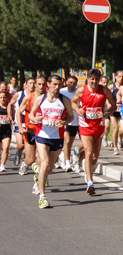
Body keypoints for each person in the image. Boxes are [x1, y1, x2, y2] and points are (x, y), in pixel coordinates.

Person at [29, 75, 73, 208]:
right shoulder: (40, 99)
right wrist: (35, 119)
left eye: (59, 85)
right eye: (54, 84)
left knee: (49, 168)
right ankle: (42, 197)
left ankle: (40, 174)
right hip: (42, 134)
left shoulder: (65, 100)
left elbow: (71, 117)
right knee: (45, 163)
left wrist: (64, 122)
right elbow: (31, 114)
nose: (57, 87)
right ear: (49, 84)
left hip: (57, 136)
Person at [71, 68, 117, 195]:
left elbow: (113, 106)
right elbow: (73, 102)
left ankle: (82, 163)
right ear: (88, 79)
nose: (94, 82)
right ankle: (90, 182)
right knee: (89, 152)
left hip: (99, 125)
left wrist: (105, 113)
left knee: (95, 156)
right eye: (92, 79)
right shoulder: (82, 90)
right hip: (85, 125)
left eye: (97, 79)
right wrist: (78, 110)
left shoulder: (104, 90)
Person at [17, 75, 48, 179]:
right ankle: (25, 164)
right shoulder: (29, 97)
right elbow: (19, 112)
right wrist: (20, 127)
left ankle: (39, 181)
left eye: (43, 84)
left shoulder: (49, 98)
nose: (41, 86)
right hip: (30, 130)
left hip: (43, 131)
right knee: (30, 160)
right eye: (39, 84)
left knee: (41, 160)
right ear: (35, 85)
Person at [7, 77, 34, 167]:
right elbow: (10, 104)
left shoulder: (37, 96)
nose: (32, 85)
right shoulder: (19, 94)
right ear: (25, 85)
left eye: (34, 83)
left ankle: (24, 163)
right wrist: (9, 115)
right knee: (21, 145)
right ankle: (18, 153)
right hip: (20, 122)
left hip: (30, 122)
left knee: (28, 146)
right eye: (30, 83)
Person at [59, 76, 81, 172]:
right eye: (70, 82)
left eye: (74, 83)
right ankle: (67, 162)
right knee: (67, 141)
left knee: (72, 142)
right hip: (66, 120)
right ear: (66, 82)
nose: (72, 85)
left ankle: (73, 155)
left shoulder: (78, 92)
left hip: (77, 120)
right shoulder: (61, 92)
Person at [107, 70, 123, 154]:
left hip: (122, 110)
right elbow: (107, 96)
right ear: (116, 77)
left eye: (122, 77)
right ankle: (115, 147)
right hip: (114, 110)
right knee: (115, 128)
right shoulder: (111, 87)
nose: (121, 78)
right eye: (119, 76)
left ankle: (120, 140)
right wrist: (108, 104)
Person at [0, 91, 12, 172]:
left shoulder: (9, 107)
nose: (2, 99)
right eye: (1, 97)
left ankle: (2, 165)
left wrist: (10, 119)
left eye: (4, 97)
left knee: (6, 147)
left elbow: (12, 117)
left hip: (6, 129)